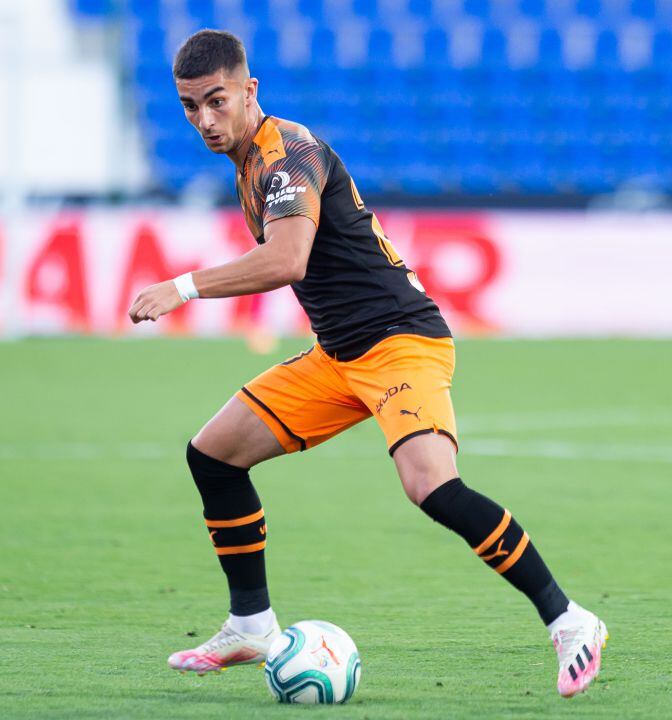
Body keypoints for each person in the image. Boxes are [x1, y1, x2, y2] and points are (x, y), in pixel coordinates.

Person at [128, 30, 607, 698]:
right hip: (340, 355)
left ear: (249, 91)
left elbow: (288, 259)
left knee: (431, 487)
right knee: (213, 454)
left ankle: (570, 620)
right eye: (189, 106)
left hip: (400, 342)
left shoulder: (288, 155)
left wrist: (182, 288)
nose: (205, 119)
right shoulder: (246, 163)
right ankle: (252, 624)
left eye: (216, 100)